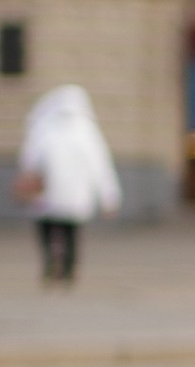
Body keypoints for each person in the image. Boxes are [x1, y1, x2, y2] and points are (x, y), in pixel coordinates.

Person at [12, 83, 120, 284]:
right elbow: (101, 167)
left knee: (46, 231)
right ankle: (69, 268)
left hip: (48, 195)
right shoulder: (87, 132)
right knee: (71, 234)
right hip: (75, 197)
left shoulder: (44, 128)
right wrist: (109, 198)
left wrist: (27, 182)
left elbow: (29, 160)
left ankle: (50, 263)